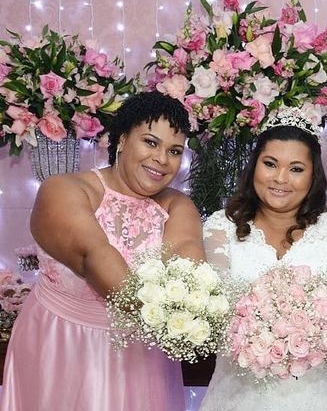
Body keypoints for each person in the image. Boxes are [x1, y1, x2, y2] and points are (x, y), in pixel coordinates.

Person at [0, 91, 204, 411]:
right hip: (60, 348)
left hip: (141, 360)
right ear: (121, 140)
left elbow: (187, 264)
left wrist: (192, 311)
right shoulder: (64, 189)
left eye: (174, 150)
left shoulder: (178, 206)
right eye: (150, 142)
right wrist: (166, 313)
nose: (163, 159)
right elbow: (93, 256)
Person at [198, 107, 327, 411]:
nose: (281, 179)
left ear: (313, 176)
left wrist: (304, 325)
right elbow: (215, 315)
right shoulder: (220, 228)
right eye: (270, 164)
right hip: (242, 396)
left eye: (296, 169)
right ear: (254, 167)